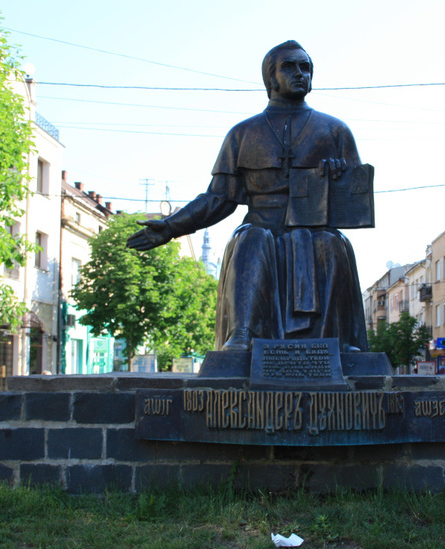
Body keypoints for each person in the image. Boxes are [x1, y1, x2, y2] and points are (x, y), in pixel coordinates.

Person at [127, 41, 369, 353]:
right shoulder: (242, 133)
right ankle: (243, 335)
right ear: (271, 78)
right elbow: (219, 198)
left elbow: (356, 202)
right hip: (261, 223)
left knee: (332, 244)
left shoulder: (335, 130)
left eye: (305, 67)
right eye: (289, 67)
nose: (300, 73)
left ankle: (336, 342)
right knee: (250, 239)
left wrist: (338, 180)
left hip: (315, 229)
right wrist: (173, 226)